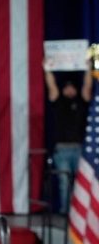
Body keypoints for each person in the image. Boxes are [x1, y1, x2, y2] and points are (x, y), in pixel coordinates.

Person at [44, 64, 93, 213]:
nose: (70, 90)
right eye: (67, 87)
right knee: (64, 182)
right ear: (63, 89)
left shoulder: (81, 101)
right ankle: (65, 212)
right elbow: (51, 86)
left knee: (81, 182)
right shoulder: (58, 101)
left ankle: (82, 214)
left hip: (79, 149)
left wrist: (89, 67)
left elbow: (87, 86)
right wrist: (47, 68)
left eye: (72, 87)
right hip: (62, 149)